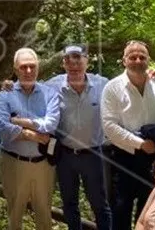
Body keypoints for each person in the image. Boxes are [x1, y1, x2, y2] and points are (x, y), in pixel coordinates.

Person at [102, 41, 155, 230]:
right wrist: (140, 143)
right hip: (124, 156)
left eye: (142, 57)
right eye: (132, 57)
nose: (137, 60)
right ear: (124, 60)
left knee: (150, 211)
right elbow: (109, 126)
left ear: (148, 60)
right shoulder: (112, 88)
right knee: (121, 209)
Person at [44, 45, 112, 230]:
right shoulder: (52, 86)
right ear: (63, 63)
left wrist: (150, 77)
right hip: (65, 155)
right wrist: (9, 86)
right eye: (68, 60)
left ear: (87, 61)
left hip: (94, 154)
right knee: (69, 203)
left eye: (78, 59)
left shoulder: (103, 85)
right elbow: (29, 87)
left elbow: (125, 86)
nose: (73, 64)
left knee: (100, 204)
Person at [0, 48, 59, 230]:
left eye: (32, 66)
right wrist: (31, 135)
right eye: (23, 67)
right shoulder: (5, 94)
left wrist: (18, 122)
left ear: (38, 67)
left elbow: (51, 124)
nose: (28, 71)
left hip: (43, 165)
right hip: (13, 162)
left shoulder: (50, 94)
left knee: (44, 215)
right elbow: (2, 127)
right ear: (16, 69)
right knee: (14, 215)